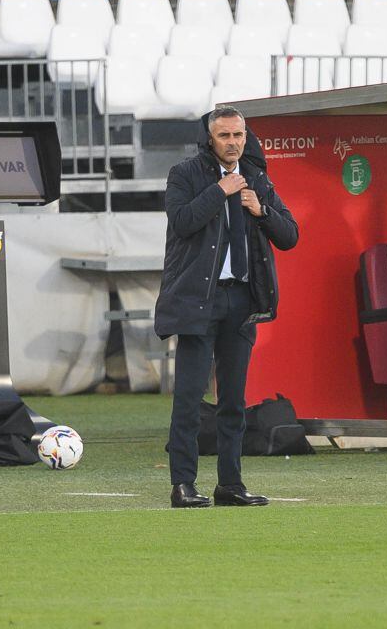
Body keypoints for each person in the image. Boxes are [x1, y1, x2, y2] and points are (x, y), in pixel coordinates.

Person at [154, 106, 299, 508]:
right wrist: (221, 191)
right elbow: (181, 222)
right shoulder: (185, 174)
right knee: (188, 397)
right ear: (209, 138)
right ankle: (182, 484)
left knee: (233, 400)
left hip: (242, 301)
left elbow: (290, 236)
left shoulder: (257, 179)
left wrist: (261, 210)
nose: (233, 143)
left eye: (238, 135)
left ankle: (230, 485)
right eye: (224, 136)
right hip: (200, 300)